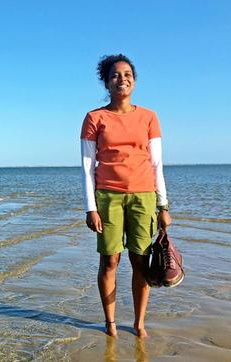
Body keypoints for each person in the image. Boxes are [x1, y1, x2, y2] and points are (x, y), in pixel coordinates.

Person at [80, 54, 171, 338]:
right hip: (107, 197)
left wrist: (163, 205)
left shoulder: (149, 117)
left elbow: (157, 164)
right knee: (109, 261)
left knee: (141, 261)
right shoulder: (95, 117)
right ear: (106, 83)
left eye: (127, 74)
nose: (123, 79)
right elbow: (86, 167)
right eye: (116, 75)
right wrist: (90, 208)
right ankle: (110, 322)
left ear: (134, 80)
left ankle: (139, 323)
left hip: (144, 197)